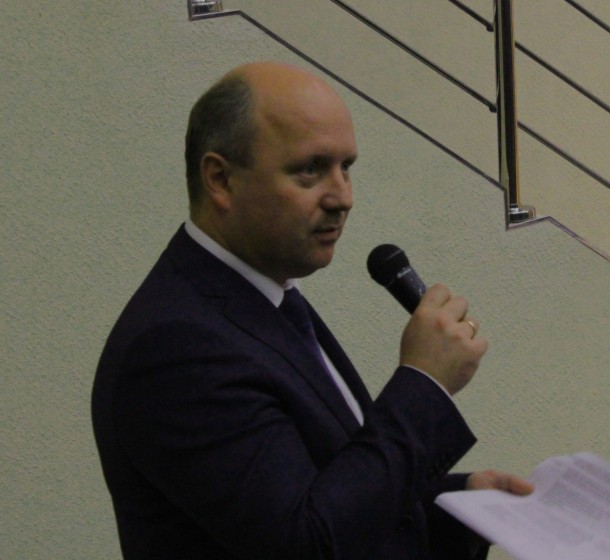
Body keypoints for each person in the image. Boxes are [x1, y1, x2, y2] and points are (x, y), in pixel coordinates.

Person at [91, 61, 532, 560]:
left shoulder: (267, 298)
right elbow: (306, 545)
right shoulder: (177, 348)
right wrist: (424, 384)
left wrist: (458, 508)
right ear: (220, 179)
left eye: (347, 167)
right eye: (310, 169)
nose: (342, 197)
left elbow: (328, 490)